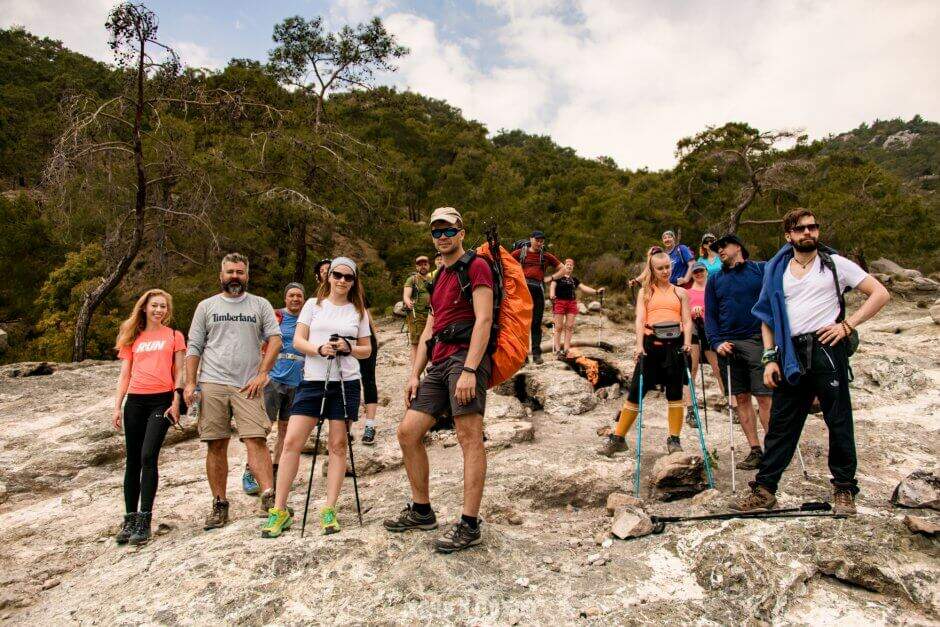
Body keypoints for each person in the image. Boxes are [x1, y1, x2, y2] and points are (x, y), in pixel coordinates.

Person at [733, 208, 890, 516]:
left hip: (826, 347)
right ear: (788, 235)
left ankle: (844, 490)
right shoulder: (777, 271)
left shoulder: (834, 265)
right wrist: (769, 358)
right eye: (800, 228)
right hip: (790, 352)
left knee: (838, 419)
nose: (808, 232)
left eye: (812, 227)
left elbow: (880, 293)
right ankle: (765, 490)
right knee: (782, 423)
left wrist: (847, 325)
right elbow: (766, 317)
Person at [384, 206, 494, 554]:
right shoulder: (438, 277)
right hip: (439, 361)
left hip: (465, 358)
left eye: (449, 230)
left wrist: (471, 369)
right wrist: (414, 374)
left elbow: (484, 319)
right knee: (408, 432)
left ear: (462, 232)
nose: (443, 236)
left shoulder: (476, 266)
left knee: (469, 437)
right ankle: (421, 510)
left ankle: (469, 524)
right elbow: (430, 329)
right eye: (437, 231)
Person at [261, 257, 373, 538]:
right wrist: (319, 349)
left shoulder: (358, 311)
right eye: (337, 275)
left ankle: (329, 509)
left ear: (354, 281)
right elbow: (298, 341)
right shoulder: (313, 305)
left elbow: (367, 350)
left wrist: (348, 347)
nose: (342, 281)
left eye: (348, 277)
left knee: (337, 445)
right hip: (312, 380)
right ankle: (280, 510)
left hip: (345, 382)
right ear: (328, 276)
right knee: (291, 442)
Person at [184, 253, 283, 530]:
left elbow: (275, 339)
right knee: (216, 443)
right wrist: (190, 383)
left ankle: (269, 497)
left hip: (247, 383)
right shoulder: (206, 307)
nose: (235, 277)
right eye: (230, 272)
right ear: (221, 275)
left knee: (256, 439)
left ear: (247, 275)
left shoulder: (260, 305)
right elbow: (194, 347)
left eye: (240, 272)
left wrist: (263, 372)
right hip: (213, 383)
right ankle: (219, 503)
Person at [598, 251, 693, 456]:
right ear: (652, 269)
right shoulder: (645, 292)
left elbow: (687, 321)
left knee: (675, 394)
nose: (665, 271)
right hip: (651, 346)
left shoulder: (681, 293)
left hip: (675, 346)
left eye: (668, 267)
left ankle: (674, 440)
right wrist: (638, 345)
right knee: (635, 393)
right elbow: (640, 320)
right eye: (660, 268)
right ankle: (618, 438)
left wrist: (687, 344)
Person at [112, 289, 187, 546]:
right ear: (144, 308)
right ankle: (130, 518)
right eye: (154, 305)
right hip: (135, 401)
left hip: (161, 401)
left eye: (163, 306)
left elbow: (179, 370)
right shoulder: (133, 337)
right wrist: (116, 406)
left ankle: (145, 519)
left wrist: (177, 401)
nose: (159, 310)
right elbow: (125, 374)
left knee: (147, 456)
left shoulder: (174, 336)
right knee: (132, 461)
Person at [704, 234, 771, 470]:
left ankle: (773, 449)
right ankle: (755, 450)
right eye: (716, 248)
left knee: (764, 397)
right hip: (727, 345)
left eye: (723, 246)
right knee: (741, 397)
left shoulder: (760, 271)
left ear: (738, 247)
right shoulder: (715, 279)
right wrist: (715, 342)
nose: (719, 250)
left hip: (757, 341)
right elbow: (709, 315)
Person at [261, 282, 306, 483]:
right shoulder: (275, 316)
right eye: (292, 295)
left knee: (286, 429)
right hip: (274, 379)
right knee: (263, 426)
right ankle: (252, 470)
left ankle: (277, 468)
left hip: (297, 382)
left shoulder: (308, 319)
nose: (295, 299)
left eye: (299, 296)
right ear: (285, 298)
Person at [511, 230, 563, 364]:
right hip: (522, 291)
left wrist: (551, 278)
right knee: (522, 325)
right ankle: (522, 356)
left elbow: (563, 268)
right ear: (531, 239)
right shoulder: (520, 253)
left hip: (538, 292)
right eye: (537, 240)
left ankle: (536, 355)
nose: (539, 243)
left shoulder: (545, 256)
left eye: (541, 241)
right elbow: (505, 264)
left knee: (536, 324)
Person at [684, 262, 727, 426]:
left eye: (701, 271)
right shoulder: (687, 293)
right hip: (694, 331)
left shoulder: (714, 289)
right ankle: (690, 410)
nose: (698, 274)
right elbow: (683, 315)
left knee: (718, 368)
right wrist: (692, 311)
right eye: (695, 272)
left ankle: (731, 404)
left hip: (710, 330)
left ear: (706, 272)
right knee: (692, 369)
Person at [548, 258, 604, 355]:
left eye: (571, 265)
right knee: (559, 327)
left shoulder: (574, 279)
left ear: (573, 267)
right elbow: (552, 286)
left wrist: (596, 292)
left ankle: (566, 349)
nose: (569, 266)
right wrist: (552, 295)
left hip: (571, 303)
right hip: (559, 302)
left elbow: (583, 288)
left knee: (569, 327)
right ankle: (557, 350)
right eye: (567, 264)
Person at [403, 255, 433, 365]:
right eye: (420, 265)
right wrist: (407, 301)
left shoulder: (432, 279)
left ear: (429, 265)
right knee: (416, 343)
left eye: (425, 264)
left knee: (430, 341)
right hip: (416, 315)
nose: (423, 267)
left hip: (431, 315)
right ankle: (415, 373)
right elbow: (406, 295)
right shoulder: (412, 279)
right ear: (417, 267)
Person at [358, 314, 379, 445]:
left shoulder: (356, 294)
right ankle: (346, 429)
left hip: (366, 338)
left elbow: (365, 311)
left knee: (369, 380)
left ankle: (370, 426)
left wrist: (374, 337)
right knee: (348, 383)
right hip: (346, 339)